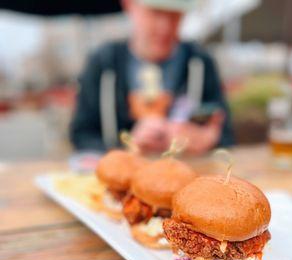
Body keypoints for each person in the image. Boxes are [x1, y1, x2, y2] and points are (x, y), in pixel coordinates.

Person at [70, 0, 234, 154]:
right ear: (129, 4)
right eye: (155, 13)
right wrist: (128, 145)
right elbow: (81, 136)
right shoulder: (103, 63)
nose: (165, 27)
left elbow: (225, 134)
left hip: (184, 176)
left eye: (174, 14)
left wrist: (208, 140)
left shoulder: (200, 63)